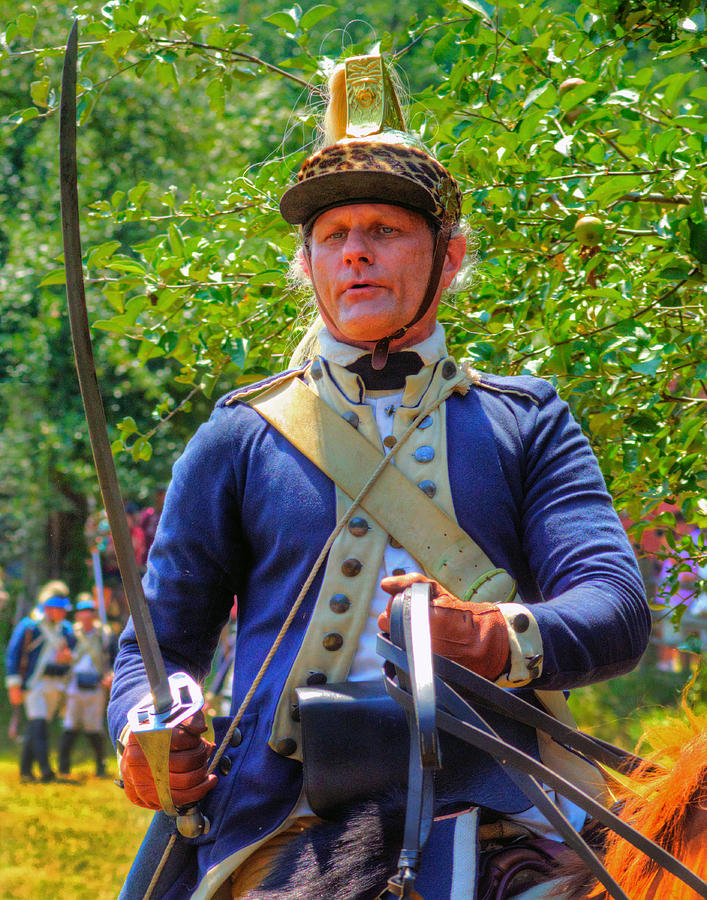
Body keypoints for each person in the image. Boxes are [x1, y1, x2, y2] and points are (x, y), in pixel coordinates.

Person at [107, 55, 650, 899]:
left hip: (508, 803)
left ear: (449, 254)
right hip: (282, 813)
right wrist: (148, 727)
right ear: (310, 264)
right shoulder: (237, 434)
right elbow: (159, 645)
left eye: (384, 232)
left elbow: (614, 607)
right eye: (334, 237)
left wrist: (497, 637)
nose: (355, 255)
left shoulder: (528, 418)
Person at [5, 580, 76, 782]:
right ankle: (46, 770)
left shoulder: (66, 630)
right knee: (39, 724)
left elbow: (73, 651)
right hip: (34, 684)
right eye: (59, 609)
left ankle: (25, 769)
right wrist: (14, 685)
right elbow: (13, 655)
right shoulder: (29, 626)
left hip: (55, 683)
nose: (63, 613)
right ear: (48, 607)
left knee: (38, 724)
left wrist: (68, 655)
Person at [59, 594, 116, 778]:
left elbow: (114, 658)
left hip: (96, 683)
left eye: (89, 612)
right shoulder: (70, 634)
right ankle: (63, 766)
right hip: (74, 683)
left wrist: (111, 675)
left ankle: (101, 765)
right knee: (70, 724)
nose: (86, 616)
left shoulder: (104, 635)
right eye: (83, 612)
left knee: (94, 727)